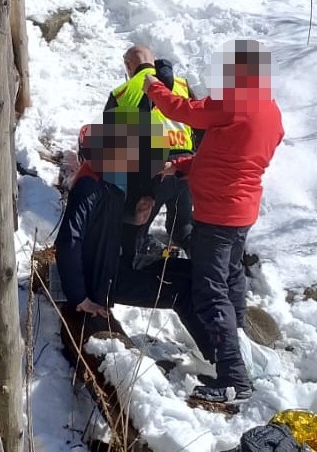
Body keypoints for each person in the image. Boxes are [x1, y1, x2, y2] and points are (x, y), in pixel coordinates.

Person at [143, 40, 284, 404]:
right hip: (241, 212)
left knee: (209, 291)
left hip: (218, 216)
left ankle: (233, 377)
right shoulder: (269, 110)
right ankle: (239, 347)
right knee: (232, 275)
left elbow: (184, 111)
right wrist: (187, 165)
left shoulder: (236, 102)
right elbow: (233, 156)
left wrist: (152, 84)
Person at [55, 116, 214, 363]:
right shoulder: (88, 185)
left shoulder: (105, 178)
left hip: (117, 263)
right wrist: (80, 297)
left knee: (195, 271)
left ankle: (227, 348)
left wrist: (134, 217)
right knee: (181, 293)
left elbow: (104, 219)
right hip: (105, 280)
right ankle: (221, 361)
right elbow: (68, 241)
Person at [105, 45, 195, 253]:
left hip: (154, 169)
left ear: (128, 66)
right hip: (186, 166)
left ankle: (142, 272)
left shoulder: (122, 92)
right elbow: (199, 123)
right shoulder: (182, 85)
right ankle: (202, 269)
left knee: (134, 230)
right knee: (183, 226)